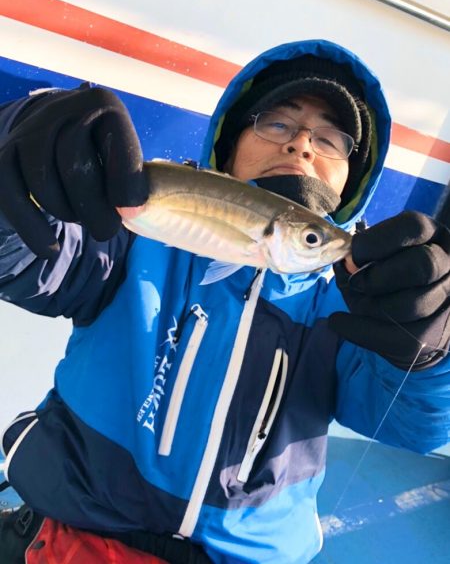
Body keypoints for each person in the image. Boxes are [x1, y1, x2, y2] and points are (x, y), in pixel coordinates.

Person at [0, 39, 449, 563]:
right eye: (277, 124)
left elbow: (413, 427)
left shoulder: (352, 315)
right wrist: (20, 141)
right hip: (65, 540)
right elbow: (22, 258)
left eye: (330, 140)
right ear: (228, 148)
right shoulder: (134, 247)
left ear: (354, 180)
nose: (301, 146)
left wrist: (432, 359)